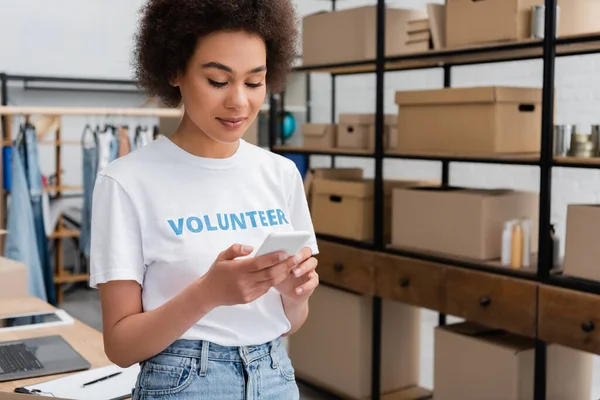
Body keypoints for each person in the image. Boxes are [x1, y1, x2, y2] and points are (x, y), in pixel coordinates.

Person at [88, 0, 319, 398]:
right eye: (218, 81)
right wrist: (207, 293)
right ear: (174, 71)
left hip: (275, 376)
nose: (239, 103)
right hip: (184, 383)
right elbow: (121, 347)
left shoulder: (280, 174)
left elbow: (292, 322)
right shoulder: (126, 182)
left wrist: (296, 297)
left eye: (254, 82)